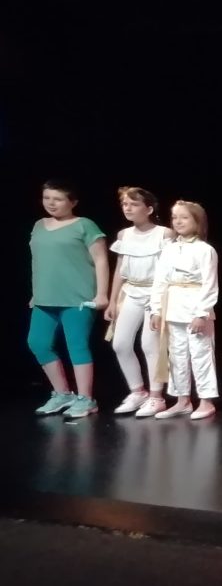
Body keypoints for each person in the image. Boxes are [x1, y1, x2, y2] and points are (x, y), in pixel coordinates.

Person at [28, 179, 109, 418]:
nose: (51, 203)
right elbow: (40, 261)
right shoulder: (39, 225)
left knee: (77, 345)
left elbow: (101, 260)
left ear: (72, 202)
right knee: (38, 343)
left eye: (58, 199)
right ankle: (63, 393)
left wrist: (101, 294)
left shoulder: (84, 225)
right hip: (45, 298)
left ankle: (86, 399)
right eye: (47, 198)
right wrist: (36, 291)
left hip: (78, 298)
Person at [105, 186, 174, 417]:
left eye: (134, 204)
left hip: (156, 293)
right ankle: (138, 392)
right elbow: (120, 270)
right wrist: (113, 301)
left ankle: (157, 397)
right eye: (125, 204)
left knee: (149, 344)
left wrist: (162, 301)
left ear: (149, 209)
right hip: (131, 291)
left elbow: (170, 269)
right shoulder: (124, 235)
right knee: (120, 343)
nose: (128, 208)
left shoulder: (164, 234)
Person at [149, 201, 219, 420]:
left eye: (184, 217)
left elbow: (209, 284)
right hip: (173, 308)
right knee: (177, 356)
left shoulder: (205, 250)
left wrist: (201, 313)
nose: (178, 221)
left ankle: (206, 401)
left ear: (197, 221)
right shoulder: (169, 249)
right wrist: (156, 309)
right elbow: (160, 281)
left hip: (195, 308)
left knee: (200, 355)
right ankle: (182, 400)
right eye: (175, 217)